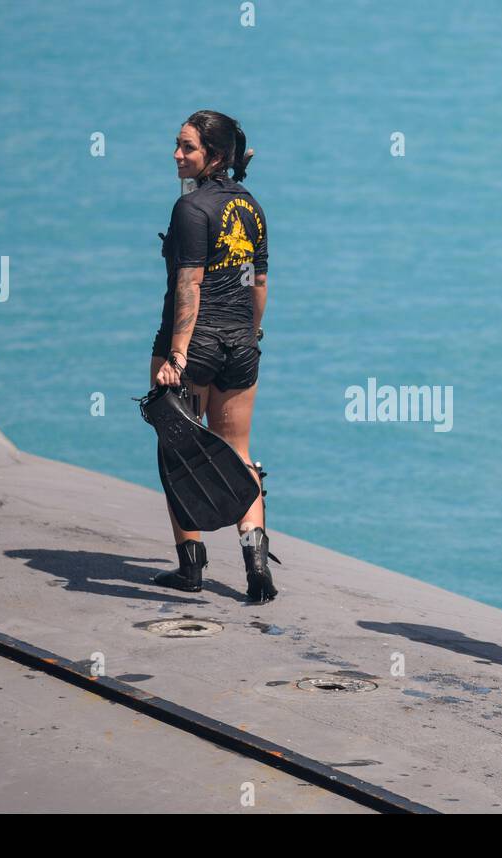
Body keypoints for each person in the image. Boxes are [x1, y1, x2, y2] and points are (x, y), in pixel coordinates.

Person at [149, 110, 278, 603]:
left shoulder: (190, 209)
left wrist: (176, 357)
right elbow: (259, 284)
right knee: (239, 453)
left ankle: (191, 567)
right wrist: (252, 334)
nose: (177, 155)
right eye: (178, 145)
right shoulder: (252, 207)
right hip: (241, 345)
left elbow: (190, 283)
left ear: (215, 156)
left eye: (188, 148)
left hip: (194, 344)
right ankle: (257, 567)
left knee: (177, 449)